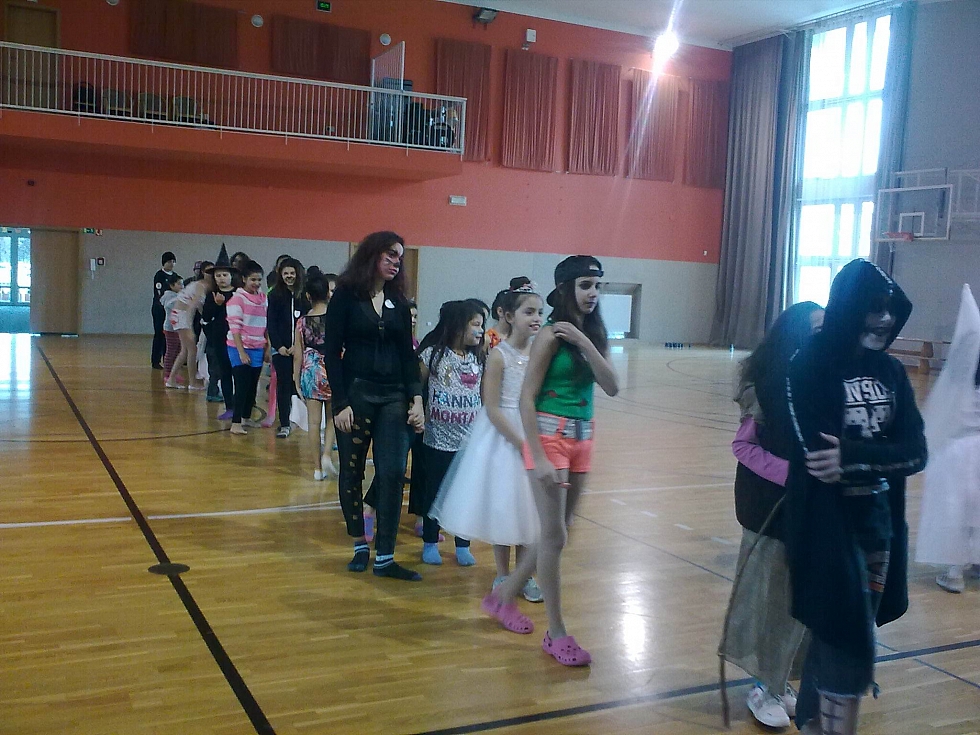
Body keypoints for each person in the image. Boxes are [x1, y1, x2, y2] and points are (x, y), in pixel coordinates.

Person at [782, 259, 927, 734]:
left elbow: (916, 451)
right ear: (849, 308)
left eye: (891, 309)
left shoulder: (893, 372)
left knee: (849, 631)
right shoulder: (809, 365)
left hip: (877, 528)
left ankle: (811, 720)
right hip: (825, 529)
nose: (885, 319)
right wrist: (876, 456)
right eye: (873, 308)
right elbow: (818, 459)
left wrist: (853, 456)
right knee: (847, 639)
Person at [482, 255, 619, 668]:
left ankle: (503, 596)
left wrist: (585, 342)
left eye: (597, 285)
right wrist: (537, 456)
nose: (592, 293)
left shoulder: (590, 334)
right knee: (554, 535)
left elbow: (612, 385)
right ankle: (556, 632)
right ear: (565, 289)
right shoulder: (549, 335)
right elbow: (526, 398)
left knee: (557, 534)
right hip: (548, 438)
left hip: (582, 439)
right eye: (584, 285)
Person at [718, 301, 823, 730]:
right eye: (815, 330)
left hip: (813, 506)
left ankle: (781, 680)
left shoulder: (825, 380)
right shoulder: (763, 383)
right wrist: (791, 475)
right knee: (769, 597)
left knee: (803, 598)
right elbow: (744, 446)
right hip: (768, 504)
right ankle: (764, 684)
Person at [430, 284, 545, 600]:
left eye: (539, 312)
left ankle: (525, 575)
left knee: (529, 510)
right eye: (528, 312)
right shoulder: (498, 355)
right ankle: (503, 574)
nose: (536, 318)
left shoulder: (539, 354)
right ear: (509, 316)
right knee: (505, 506)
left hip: (532, 430)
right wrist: (519, 442)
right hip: (504, 437)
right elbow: (492, 407)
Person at [324, 231, 424, 581]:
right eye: (390, 255)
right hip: (357, 395)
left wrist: (417, 398)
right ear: (372, 255)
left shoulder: (400, 301)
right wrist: (340, 403)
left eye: (399, 257)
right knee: (351, 471)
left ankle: (385, 557)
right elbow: (331, 353)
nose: (396, 262)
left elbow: (408, 355)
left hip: (394, 396)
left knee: (392, 472)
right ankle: (359, 544)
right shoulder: (346, 297)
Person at [916, 284, 980, 593]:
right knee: (976, 511)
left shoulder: (957, 384)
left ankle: (955, 573)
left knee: (956, 511)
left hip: (958, 453)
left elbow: (942, 419)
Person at [416, 300, 486, 566]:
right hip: (437, 440)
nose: (481, 331)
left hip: (468, 442)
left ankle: (463, 545)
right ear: (458, 326)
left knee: (465, 495)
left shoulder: (478, 358)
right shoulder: (433, 355)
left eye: (482, 325)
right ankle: (430, 542)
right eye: (476, 325)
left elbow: (483, 394)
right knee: (434, 492)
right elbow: (417, 386)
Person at [294, 268, 336, 480]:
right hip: (332, 368)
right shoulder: (336, 317)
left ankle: (317, 468)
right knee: (332, 418)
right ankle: (327, 453)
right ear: (328, 293)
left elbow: (297, 353)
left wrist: (296, 378)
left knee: (313, 422)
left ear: (308, 296)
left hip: (311, 370)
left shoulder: (302, 321)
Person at [226, 260, 269, 435]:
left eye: (259, 279)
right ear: (244, 279)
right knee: (242, 385)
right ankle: (236, 422)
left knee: (252, 386)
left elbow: (266, 325)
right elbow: (235, 328)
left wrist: (266, 347)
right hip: (239, 347)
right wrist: (241, 352)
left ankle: (246, 417)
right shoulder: (237, 299)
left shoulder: (263, 299)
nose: (256, 283)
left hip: (257, 346)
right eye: (253, 279)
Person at [268, 257, 308, 438]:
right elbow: (271, 323)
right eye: (286, 273)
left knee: (299, 386)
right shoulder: (275, 295)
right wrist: (280, 346)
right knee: (283, 386)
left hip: (302, 350)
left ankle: (303, 421)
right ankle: (284, 423)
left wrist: (299, 346)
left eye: (292, 273)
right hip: (282, 351)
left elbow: (307, 321)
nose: (289, 276)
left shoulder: (304, 295)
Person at [202, 246, 236, 419]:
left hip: (238, 340)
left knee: (239, 374)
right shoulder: (212, 294)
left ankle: (242, 405)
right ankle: (229, 406)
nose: (222, 278)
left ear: (231, 276)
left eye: (224, 275)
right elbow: (206, 316)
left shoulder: (238, 293)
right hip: (220, 339)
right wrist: (217, 305)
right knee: (225, 373)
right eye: (218, 275)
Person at [166, 262, 211, 390]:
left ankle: (171, 380)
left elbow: (199, 306)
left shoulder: (201, 285)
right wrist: (190, 327)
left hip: (178, 315)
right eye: (208, 271)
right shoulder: (201, 286)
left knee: (185, 351)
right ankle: (192, 382)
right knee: (192, 350)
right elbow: (192, 306)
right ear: (203, 272)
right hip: (181, 315)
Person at [151, 251, 179, 369]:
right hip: (159, 308)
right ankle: (155, 360)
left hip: (170, 309)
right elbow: (159, 292)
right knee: (159, 334)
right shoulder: (159, 275)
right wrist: (163, 303)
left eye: (173, 261)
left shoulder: (175, 276)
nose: (171, 264)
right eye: (169, 261)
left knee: (170, 335)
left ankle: (168, 359)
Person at [160, 273, 183, 383]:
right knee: (171, 351)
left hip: (178, 328)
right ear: (172, 285)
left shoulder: (177, 296)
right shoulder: (169, 297)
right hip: (171, 329)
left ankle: (174, 372)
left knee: (177, 351)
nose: (182, 286)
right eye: (179, 284)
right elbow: (171, 305)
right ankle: (168, 373)